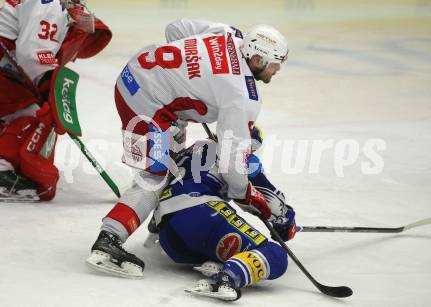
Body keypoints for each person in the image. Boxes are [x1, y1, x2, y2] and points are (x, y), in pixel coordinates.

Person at [87, 18, 289, 276]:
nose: (277, 70)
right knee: (154, 177)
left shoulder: (228, 33)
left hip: (133, 77)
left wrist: (192, 76)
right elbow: (231, 161)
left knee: (176, 162)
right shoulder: (241, 94)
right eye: (274, 64)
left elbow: (175, 29)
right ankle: (108, 241)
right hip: (147, 105)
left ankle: (159, 224)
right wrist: (245, 193)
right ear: (257, 60)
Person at [88, 126, 297, 301]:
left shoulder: (192, 149)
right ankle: (229, 278)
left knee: (230, 239)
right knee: (276, 255)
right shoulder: (239, 155)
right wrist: (286, 221)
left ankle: (224, 263)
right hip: (201, 214)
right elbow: (270, 201)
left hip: (171, 237)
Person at [0, 0, 111, 201]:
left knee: (27, 105)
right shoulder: (50, 5)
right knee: (36, 113)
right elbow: (32, 55)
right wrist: (49, 88)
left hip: (6, 71)